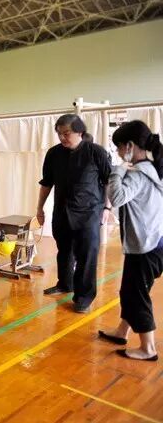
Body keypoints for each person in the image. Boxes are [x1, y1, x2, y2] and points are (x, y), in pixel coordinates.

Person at [98, 120, 163, 361]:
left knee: (136, 294)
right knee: (130, 290)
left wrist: (118, 169)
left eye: (118, 147)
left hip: (146, 247)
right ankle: (122, 331)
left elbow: (117, 197)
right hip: (152, 243)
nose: (117, 151)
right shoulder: (153, 168)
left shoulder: (139, 173)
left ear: (130, 146)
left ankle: (148, 348)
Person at [37, 114, 112, 313]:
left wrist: (107, 208)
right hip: (62, 212)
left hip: (89, 214)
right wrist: (39, 208)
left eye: (66, 133)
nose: (62, 137)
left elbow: (109, 182)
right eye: (59, 134)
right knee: (64, 251)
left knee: (86, 255)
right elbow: (46, 183)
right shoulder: (54, 154)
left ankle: (83, 298)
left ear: (79, 131)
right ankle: (65, 283)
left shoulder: (96, 152)